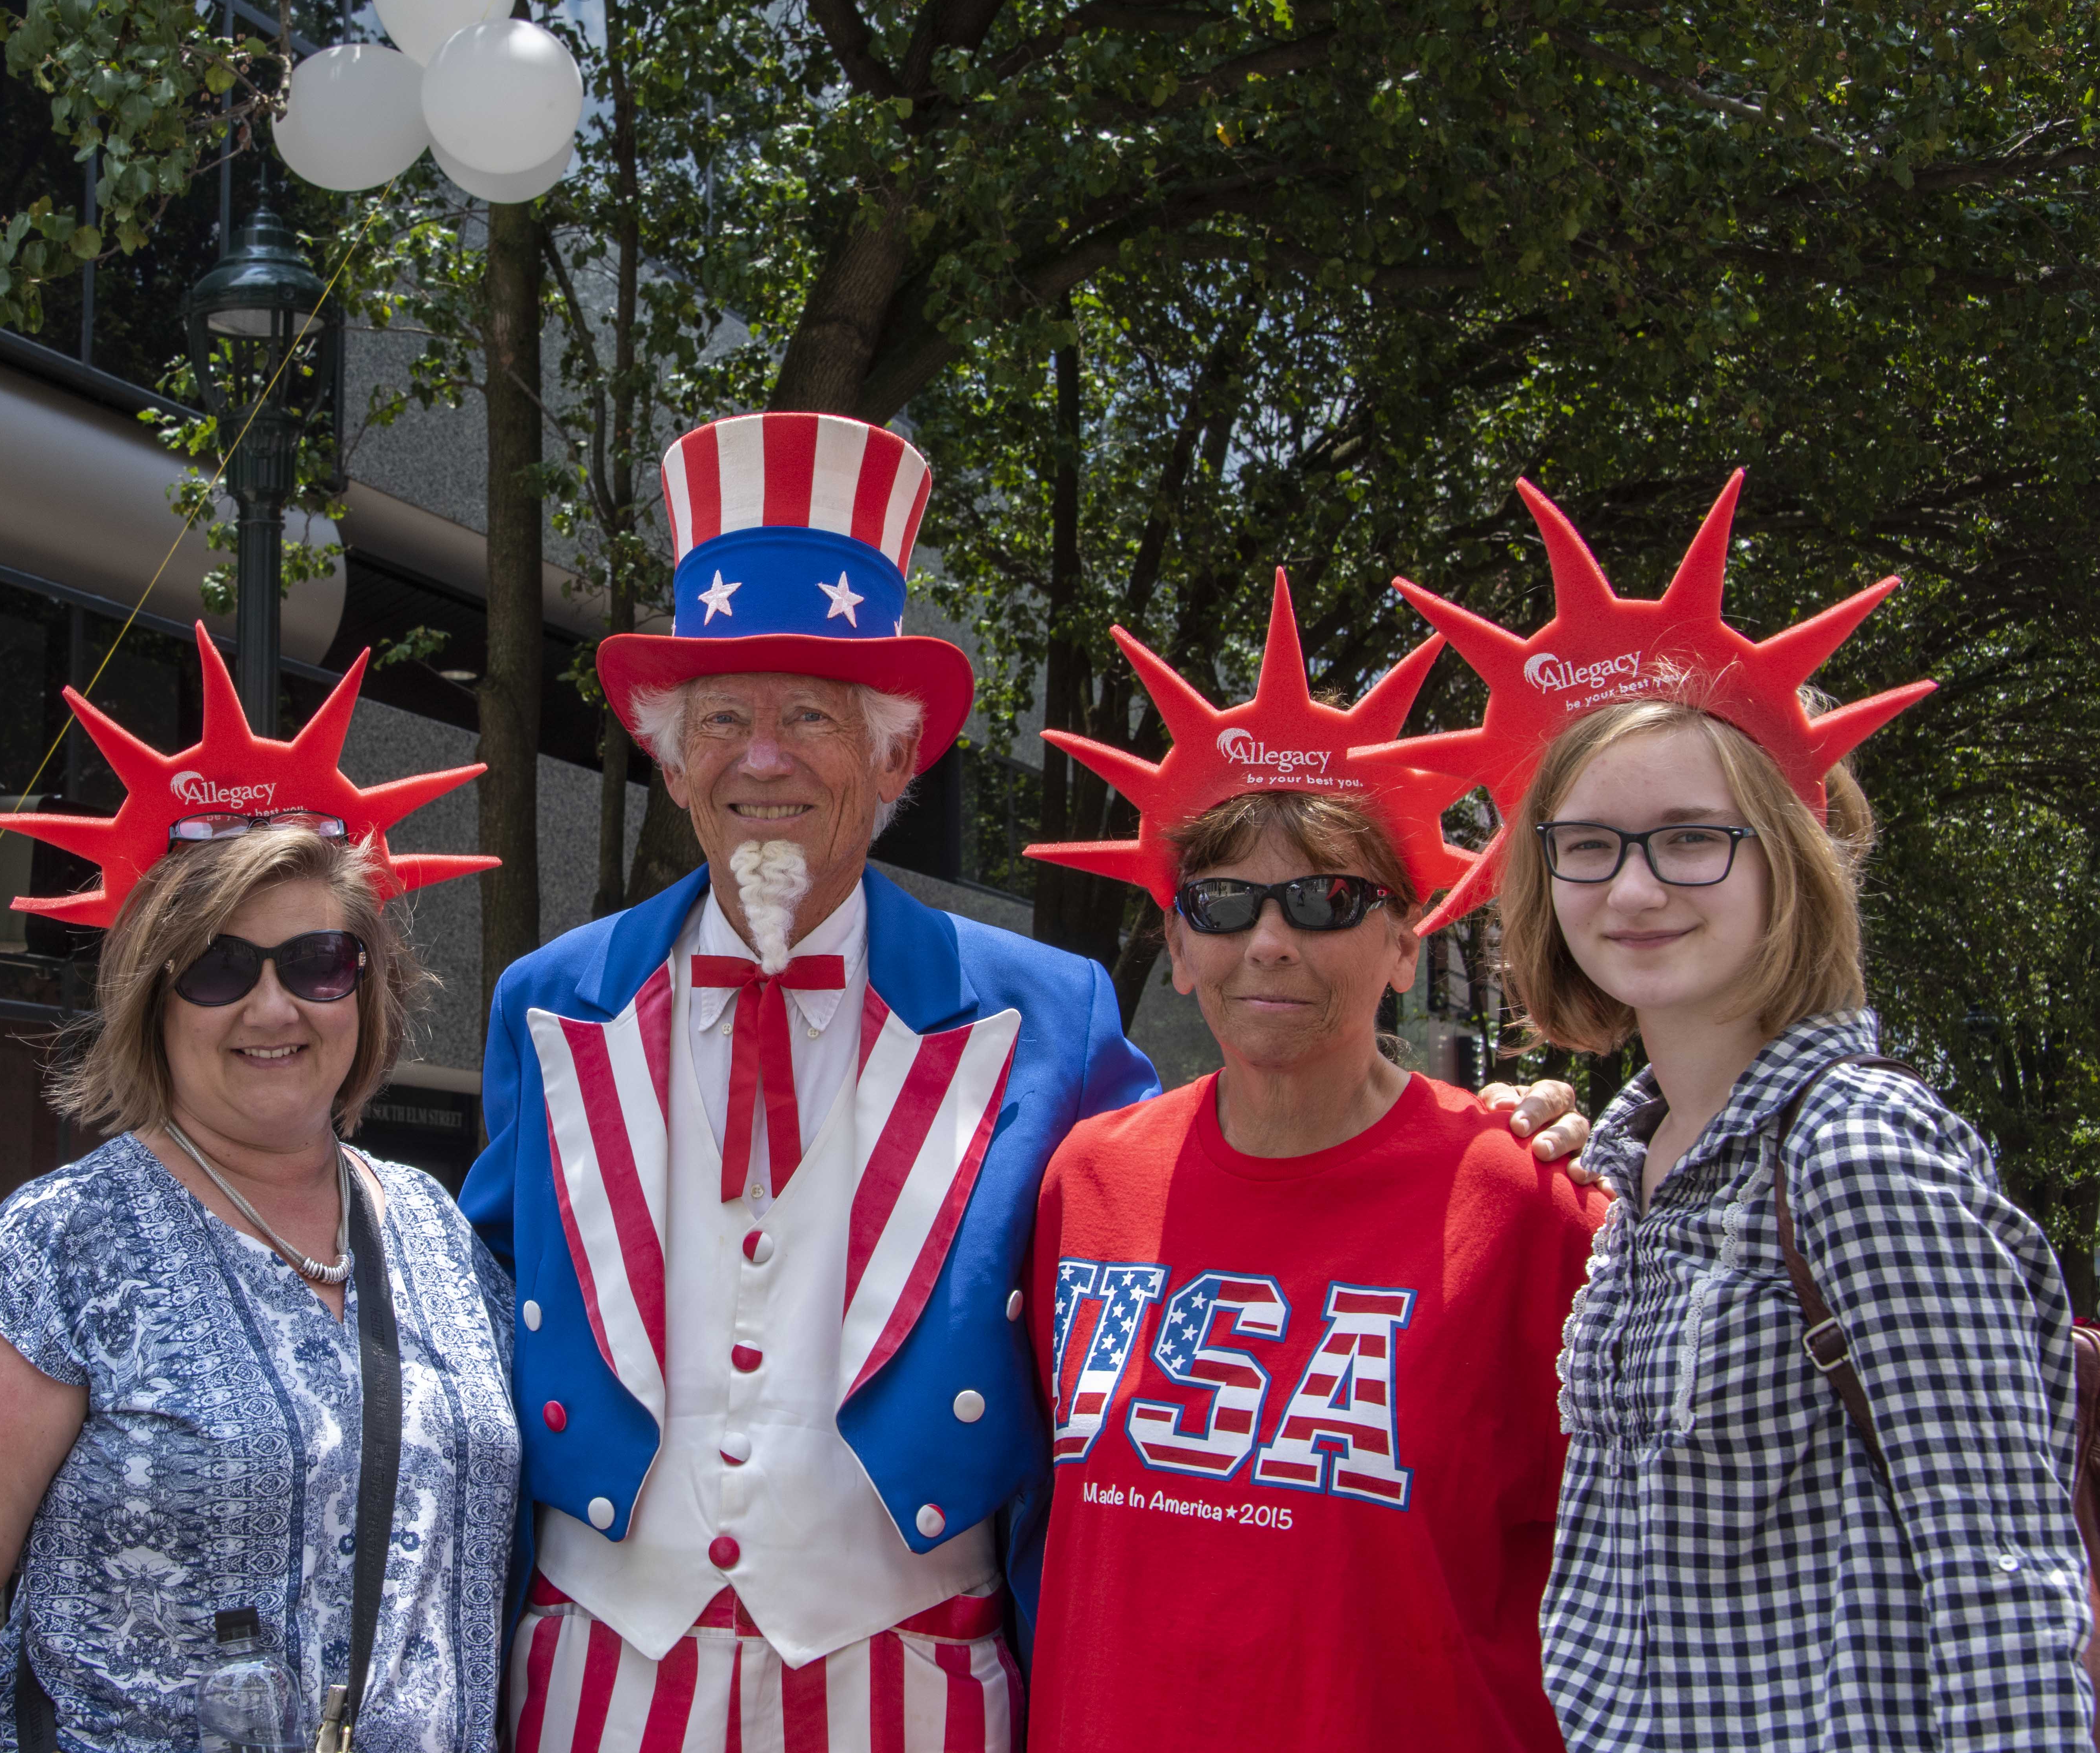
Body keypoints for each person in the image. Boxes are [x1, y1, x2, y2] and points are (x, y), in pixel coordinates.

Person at [464, 414, 1589, 1753]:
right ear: (666, 750)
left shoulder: (1047, 1011)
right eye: (721, 718)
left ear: (896, 758)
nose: (761, 759)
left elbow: (1208, 1208)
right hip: (594, 1683)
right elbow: (475, 1323)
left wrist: (1469, 1133)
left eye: (811, 718)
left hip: (919, 1692)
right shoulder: (549, 999)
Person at [1394, 475, 2093, 1749]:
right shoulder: (1633, 1174)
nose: (1636, 887)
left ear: (1790, 857)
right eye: (1588, 845)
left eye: (1690, 838)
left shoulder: (1855, 1152)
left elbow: (2004, 1586)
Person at [0, 628, 519, 1753]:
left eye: (319, 964)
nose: (275, 1010)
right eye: (220, 968)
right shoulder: (64, 1245)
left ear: (366, 991)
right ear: (151, 1000)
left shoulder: (438, 1231)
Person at [1021, 571, 1605, 1751]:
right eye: (1225, 903)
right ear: (1178, 947)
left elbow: (1627, 1564)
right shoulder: (1086, 1178)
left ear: (1402, 944)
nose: (1271, 944)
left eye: (1328, 900)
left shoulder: (1526, 1199)